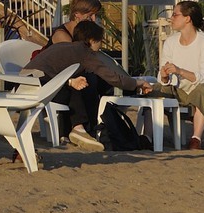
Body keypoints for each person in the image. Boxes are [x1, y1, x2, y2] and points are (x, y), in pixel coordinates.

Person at [24, 19, 150, 151]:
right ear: (92, 40)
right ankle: (80, 128)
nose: (101, 46)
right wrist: (138, 83)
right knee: (81, 83)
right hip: (42, 86)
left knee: (79, 82)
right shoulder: (85, 53)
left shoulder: (62, 47)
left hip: (26, 83)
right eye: (100, 40)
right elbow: (114, 78)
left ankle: (77, 129)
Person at [142, 0, 204, 149]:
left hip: (199, 89)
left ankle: (196, 138)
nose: (171, 18)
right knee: (154, 89)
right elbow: (162, 78)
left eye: (175, 15)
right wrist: (163, 77)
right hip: (178, 91)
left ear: (187, 18)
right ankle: (148, 137)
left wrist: (180, 71)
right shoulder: (170, 42)